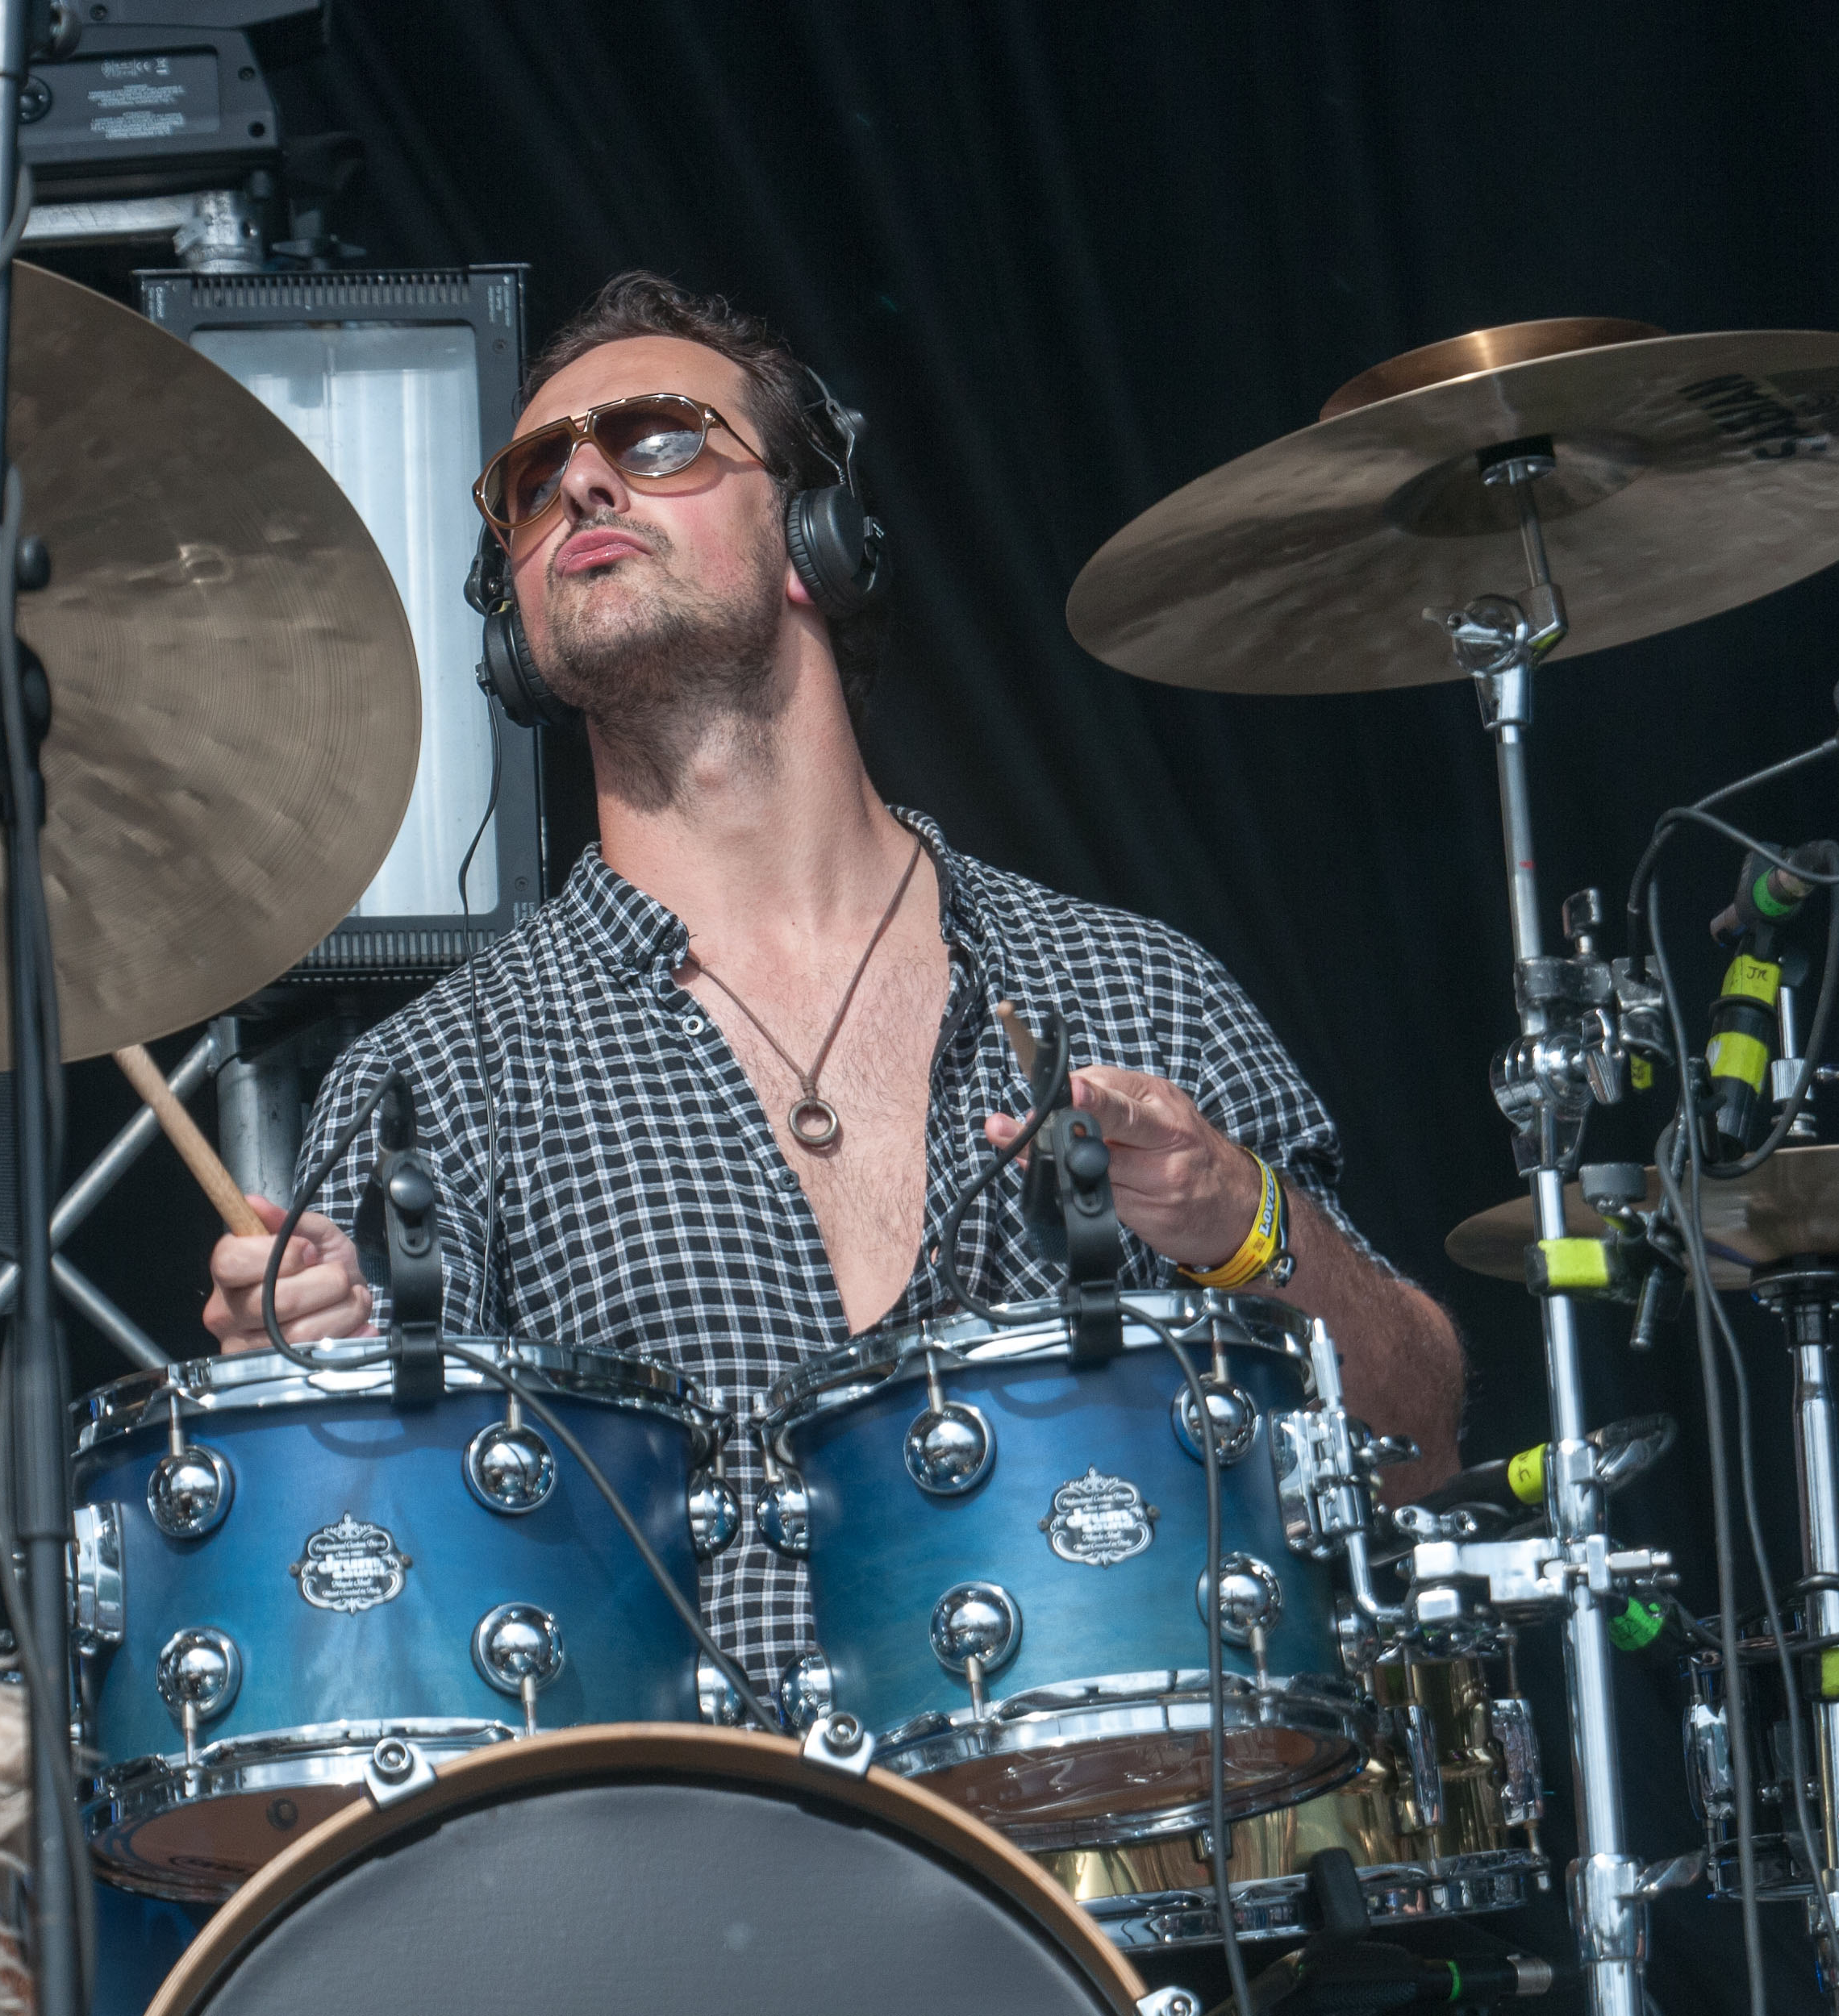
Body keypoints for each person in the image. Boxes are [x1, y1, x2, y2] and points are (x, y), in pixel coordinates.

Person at [204, 272, 1464, 1702]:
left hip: (1140, 1897)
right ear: (514, 627)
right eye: (531, 481)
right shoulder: (436, 1085)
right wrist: (318, 1402)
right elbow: (374, 1643)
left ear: (818, 537)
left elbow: (1415, 1449)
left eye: (659, 440)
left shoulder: (1129, 985)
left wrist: (1245, 1229)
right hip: (699, 1903)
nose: (583, 484)